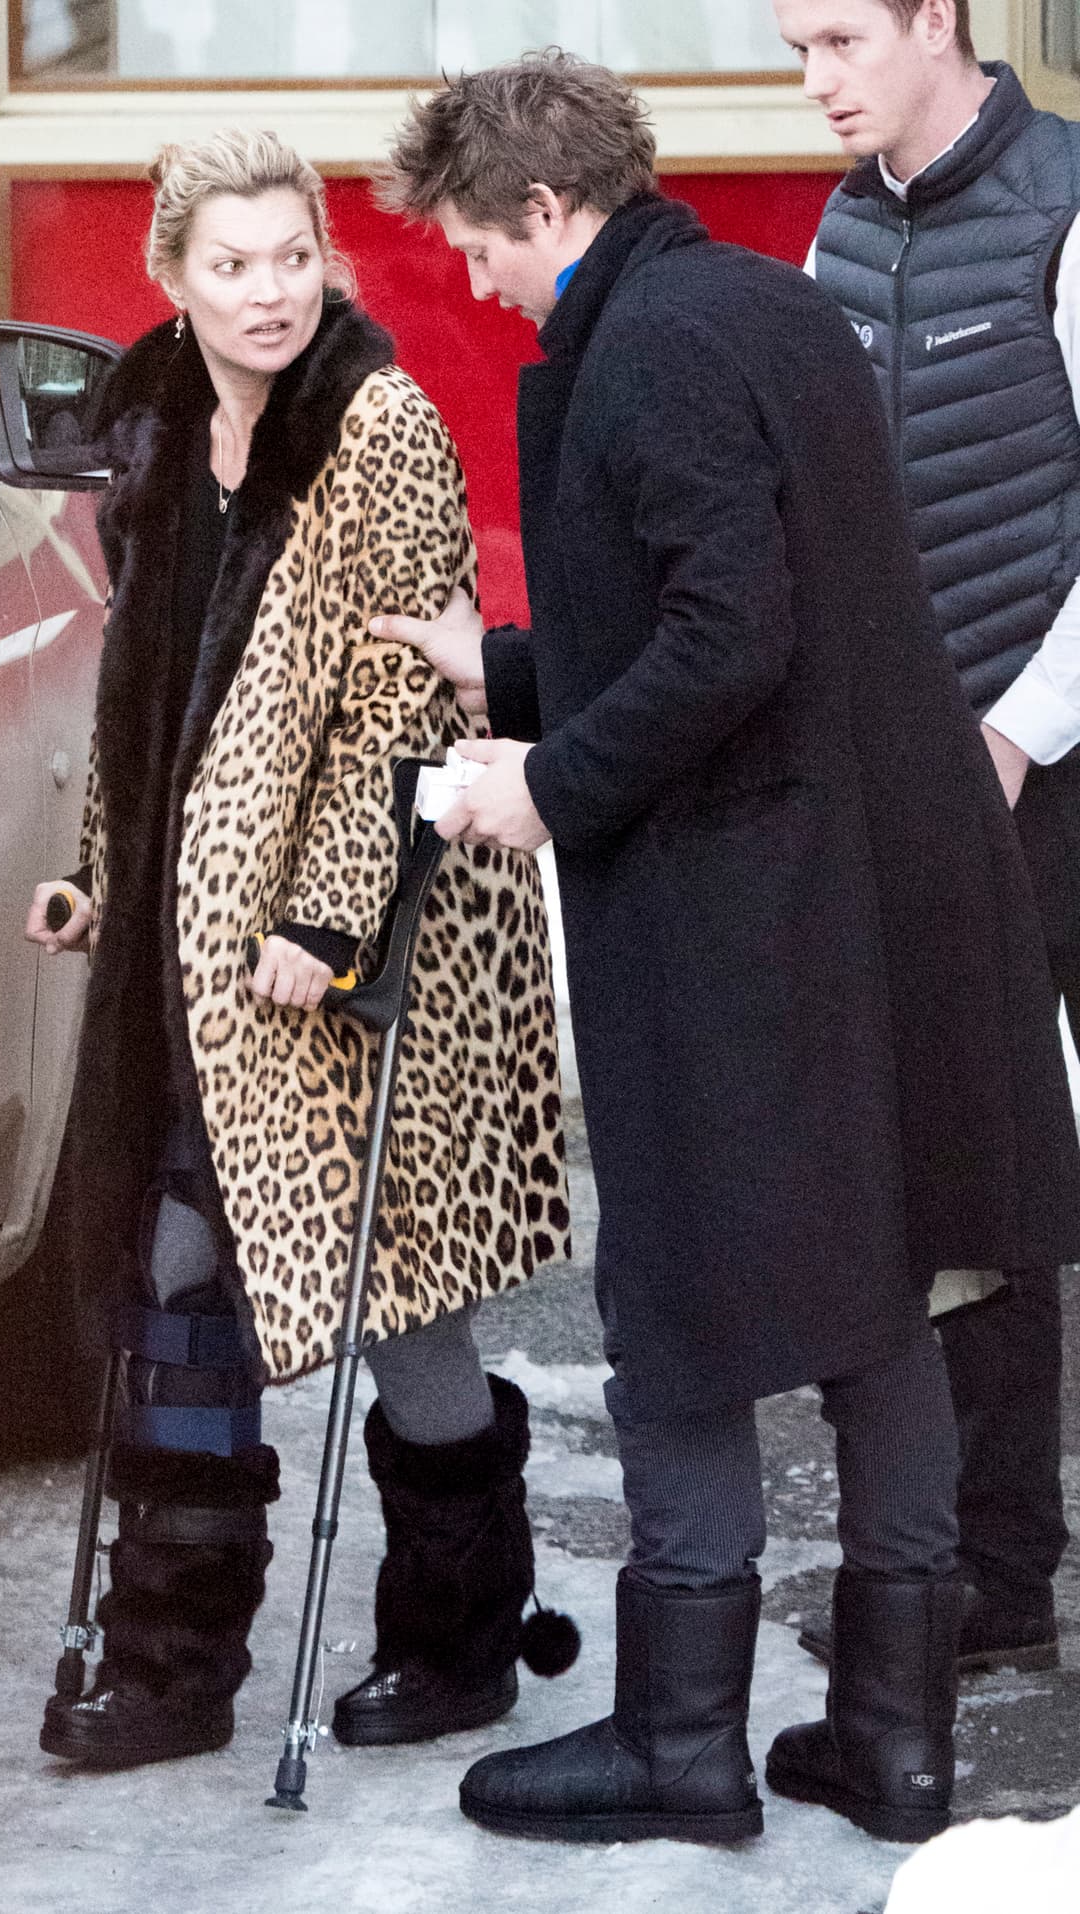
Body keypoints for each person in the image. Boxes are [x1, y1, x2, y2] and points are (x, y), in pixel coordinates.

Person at [374, 49, 1080, 1847]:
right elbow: (767, 598)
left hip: (750, 908)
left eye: (480, 246)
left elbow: (727, 635)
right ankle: (896, 1738)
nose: (477, 284)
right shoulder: (767, 309)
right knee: (888, 1294)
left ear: (548, 207)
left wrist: (546, 778)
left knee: (679, 1305)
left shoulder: (651, 352)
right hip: (878, 880)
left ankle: (680, 1745)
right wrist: (515, 661)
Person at [24, 129, 575, 1771]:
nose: (268, 293)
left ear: (326, 261)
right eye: (231, 264)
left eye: (291, 258)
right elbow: (147, 700)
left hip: (354, 935)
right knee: (185, 1281)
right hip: (189, 949)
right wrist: (92, 876)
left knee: (392, 1292)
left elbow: (408, 692)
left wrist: (325, 916)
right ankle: (172, 1659)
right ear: (172, 278)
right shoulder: (158, 426)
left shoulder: (379, 426)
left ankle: (460, 1635)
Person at [783, 0, 1079, 1679]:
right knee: (978, 1167)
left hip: (1049, 758)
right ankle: (995, 1572)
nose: (816, 81)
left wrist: (1019, 731)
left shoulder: (1064, 206)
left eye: (838, 37)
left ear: (941, 18)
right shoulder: (843, 232)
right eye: (793, 50)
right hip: (934, 783)